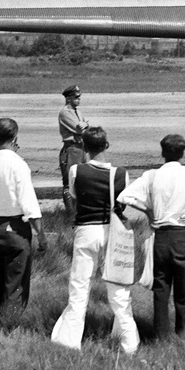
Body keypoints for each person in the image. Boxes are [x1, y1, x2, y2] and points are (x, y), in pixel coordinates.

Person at [118, 134, 185, 339]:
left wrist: (147, 211)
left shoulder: (151, 175)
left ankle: (160, 336)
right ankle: (184, 335)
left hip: (160, 237)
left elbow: (124, 197)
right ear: (182, 153)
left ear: (163, 152)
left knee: (161, 290)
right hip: (182, 234)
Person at [51, 126, 137, 354]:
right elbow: (122, 203)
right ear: (106, 146)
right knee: (118, 290)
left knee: (79, 288)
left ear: (84, 147)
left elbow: (75, 196)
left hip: (86, 231)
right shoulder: (121, 173)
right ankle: (129, 343)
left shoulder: (76, 171)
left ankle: (69, 343)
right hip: (112, 232)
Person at [0, 118, 44, 329]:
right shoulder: (18, 164)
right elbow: (30, 206)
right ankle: (9, 327)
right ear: (15, 137)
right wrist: (41, 236)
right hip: (15, 227)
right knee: (15, 284)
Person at [57, 85, 87, 196]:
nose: (79, 99)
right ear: (68, 98)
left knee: (82, 180)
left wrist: (86, 125)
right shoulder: (65, 112)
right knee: (70, 182)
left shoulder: (78, 111)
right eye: (76, 97)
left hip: (81, 147)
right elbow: (79, 130)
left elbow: (85, 127)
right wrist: (85, 126)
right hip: (72, 149)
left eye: (79, 97)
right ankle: (70, 213)